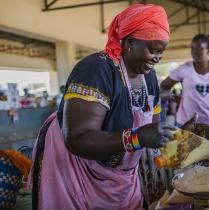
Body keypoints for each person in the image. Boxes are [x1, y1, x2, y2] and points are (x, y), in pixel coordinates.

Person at [28, 4, 173, 210]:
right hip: (76, 171)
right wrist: (136, 137)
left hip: (119, 175)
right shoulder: (96, 70)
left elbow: (153, 130)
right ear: (130, 43)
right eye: (153, 50)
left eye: (161, 52)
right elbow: (78, 138)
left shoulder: (148, 77)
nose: (158, 58)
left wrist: (182, 136)